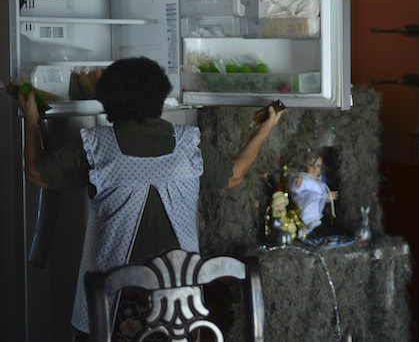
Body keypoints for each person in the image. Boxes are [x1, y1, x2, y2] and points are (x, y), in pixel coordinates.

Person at [13, 57, 284, 340]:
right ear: (160, 97)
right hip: (180, 306)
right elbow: (235, 175)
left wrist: (31, 117)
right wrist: (264, 127)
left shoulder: (97, 145)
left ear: (107, 100)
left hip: (114, 305)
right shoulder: (189, 143)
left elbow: (36, 174)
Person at [288, 152, 338, 237]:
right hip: (303, 201)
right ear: (305, 165)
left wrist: (327, 197)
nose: (314, 168)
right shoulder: (303, 177)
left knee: (315, 208)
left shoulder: (318, 181)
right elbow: (294, 186)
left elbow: (321, 193)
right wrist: (297, 184)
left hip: (316, 208)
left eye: (318, 166)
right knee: (312, 198)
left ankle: (305, 231)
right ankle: (309, 222)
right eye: (311, 165)